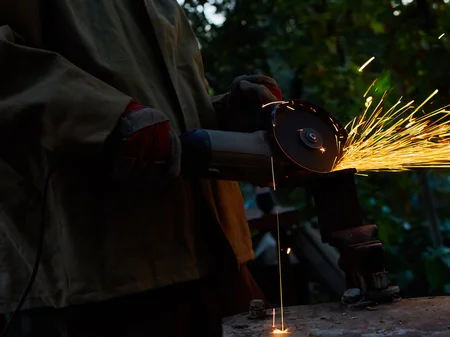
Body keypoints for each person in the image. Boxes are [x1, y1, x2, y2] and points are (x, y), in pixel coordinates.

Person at [0, 1, 281, 336]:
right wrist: (107, 117)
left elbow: (169, 121)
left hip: (215, 260)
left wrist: (232, 114)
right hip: (96, 281)